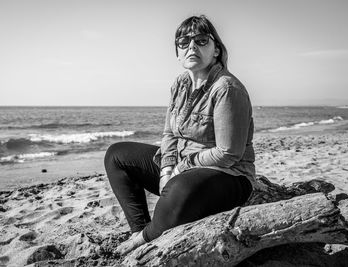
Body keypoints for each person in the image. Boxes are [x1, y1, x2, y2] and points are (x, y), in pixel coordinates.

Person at [104, 15, 256, 255]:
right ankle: (141, 229)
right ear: (178, 53)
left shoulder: (226, 88)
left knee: (180, 190)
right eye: (184, 42)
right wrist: (166, 169)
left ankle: (144, 238)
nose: (191, 46)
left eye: (201, 40)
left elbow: (228, 154)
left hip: (229, 175)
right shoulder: (180, 83)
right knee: (116, 155)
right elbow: (169, 134)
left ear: (216, 50)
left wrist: (180, 168)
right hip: (181, 170)